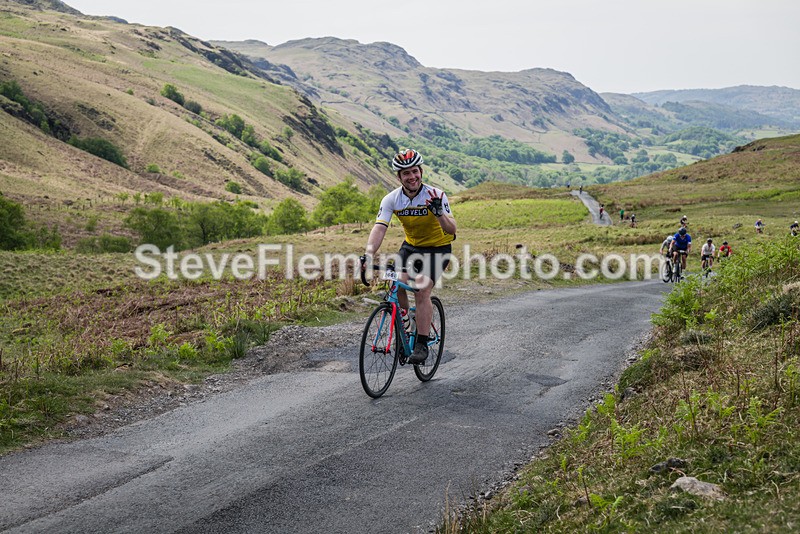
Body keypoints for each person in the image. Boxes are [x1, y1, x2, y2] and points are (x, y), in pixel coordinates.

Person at [361, 149, 457, 364]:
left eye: (415, 171)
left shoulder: (436, 195)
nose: (412, 177)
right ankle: (405, 324)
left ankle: (421, 343)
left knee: (422, 290)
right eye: (406, 174)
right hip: (411, 248)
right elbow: (379, 228)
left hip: (438, 249)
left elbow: (451, 230)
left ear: (421, 171)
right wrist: (368, 254)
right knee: (396, 281)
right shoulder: (392, 199)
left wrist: (439, 213)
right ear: (399, 177)